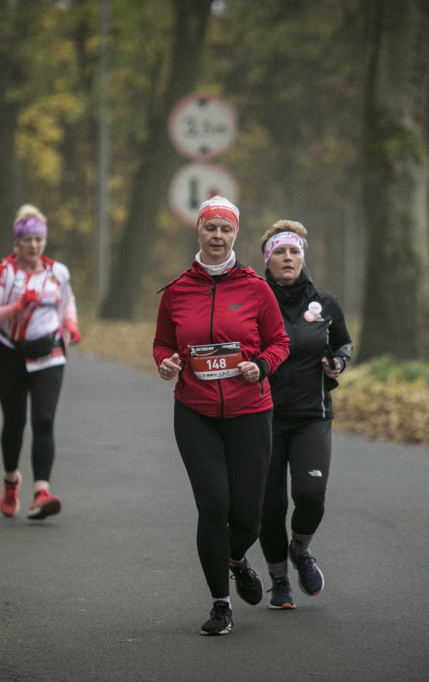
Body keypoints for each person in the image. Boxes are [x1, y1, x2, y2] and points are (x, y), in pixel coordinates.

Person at [153, 196, 290, 636]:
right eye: (210, 227)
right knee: (214, 505)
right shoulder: (177, 290)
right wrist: (167, 363)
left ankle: (236, 559)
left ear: (236, 235)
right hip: (196, 412)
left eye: (225, 229)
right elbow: (162, 344)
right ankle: (220, 603)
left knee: (248, 515)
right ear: (198, 231)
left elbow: (280, 341)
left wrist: (262, 365)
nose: (217, 236)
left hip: (250, 410)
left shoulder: (255, 287)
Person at [257, 220, 353, 609]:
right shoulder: (254, 299)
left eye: (294, 251)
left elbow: (344, 343)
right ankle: (279, 580)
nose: (288, 258)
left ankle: (301, 550)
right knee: (271, 505)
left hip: (313, 414)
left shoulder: (325, 302)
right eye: (279, 252)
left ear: (302, 257)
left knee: (310, 495)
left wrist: (338, 364)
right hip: (262, 415)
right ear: (268, 259)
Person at [0, 204, 80, 520]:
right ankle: (11, 482)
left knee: (44, 420)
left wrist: (72, 324)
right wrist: (17, 306)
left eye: (38, 239)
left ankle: (41, 493)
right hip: (10, 354)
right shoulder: (5, 273)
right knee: (15, 422)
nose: (33, 246)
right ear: (17, 242)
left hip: (49, 354)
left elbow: (68, 301)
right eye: (27, 240)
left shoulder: (57, 272)